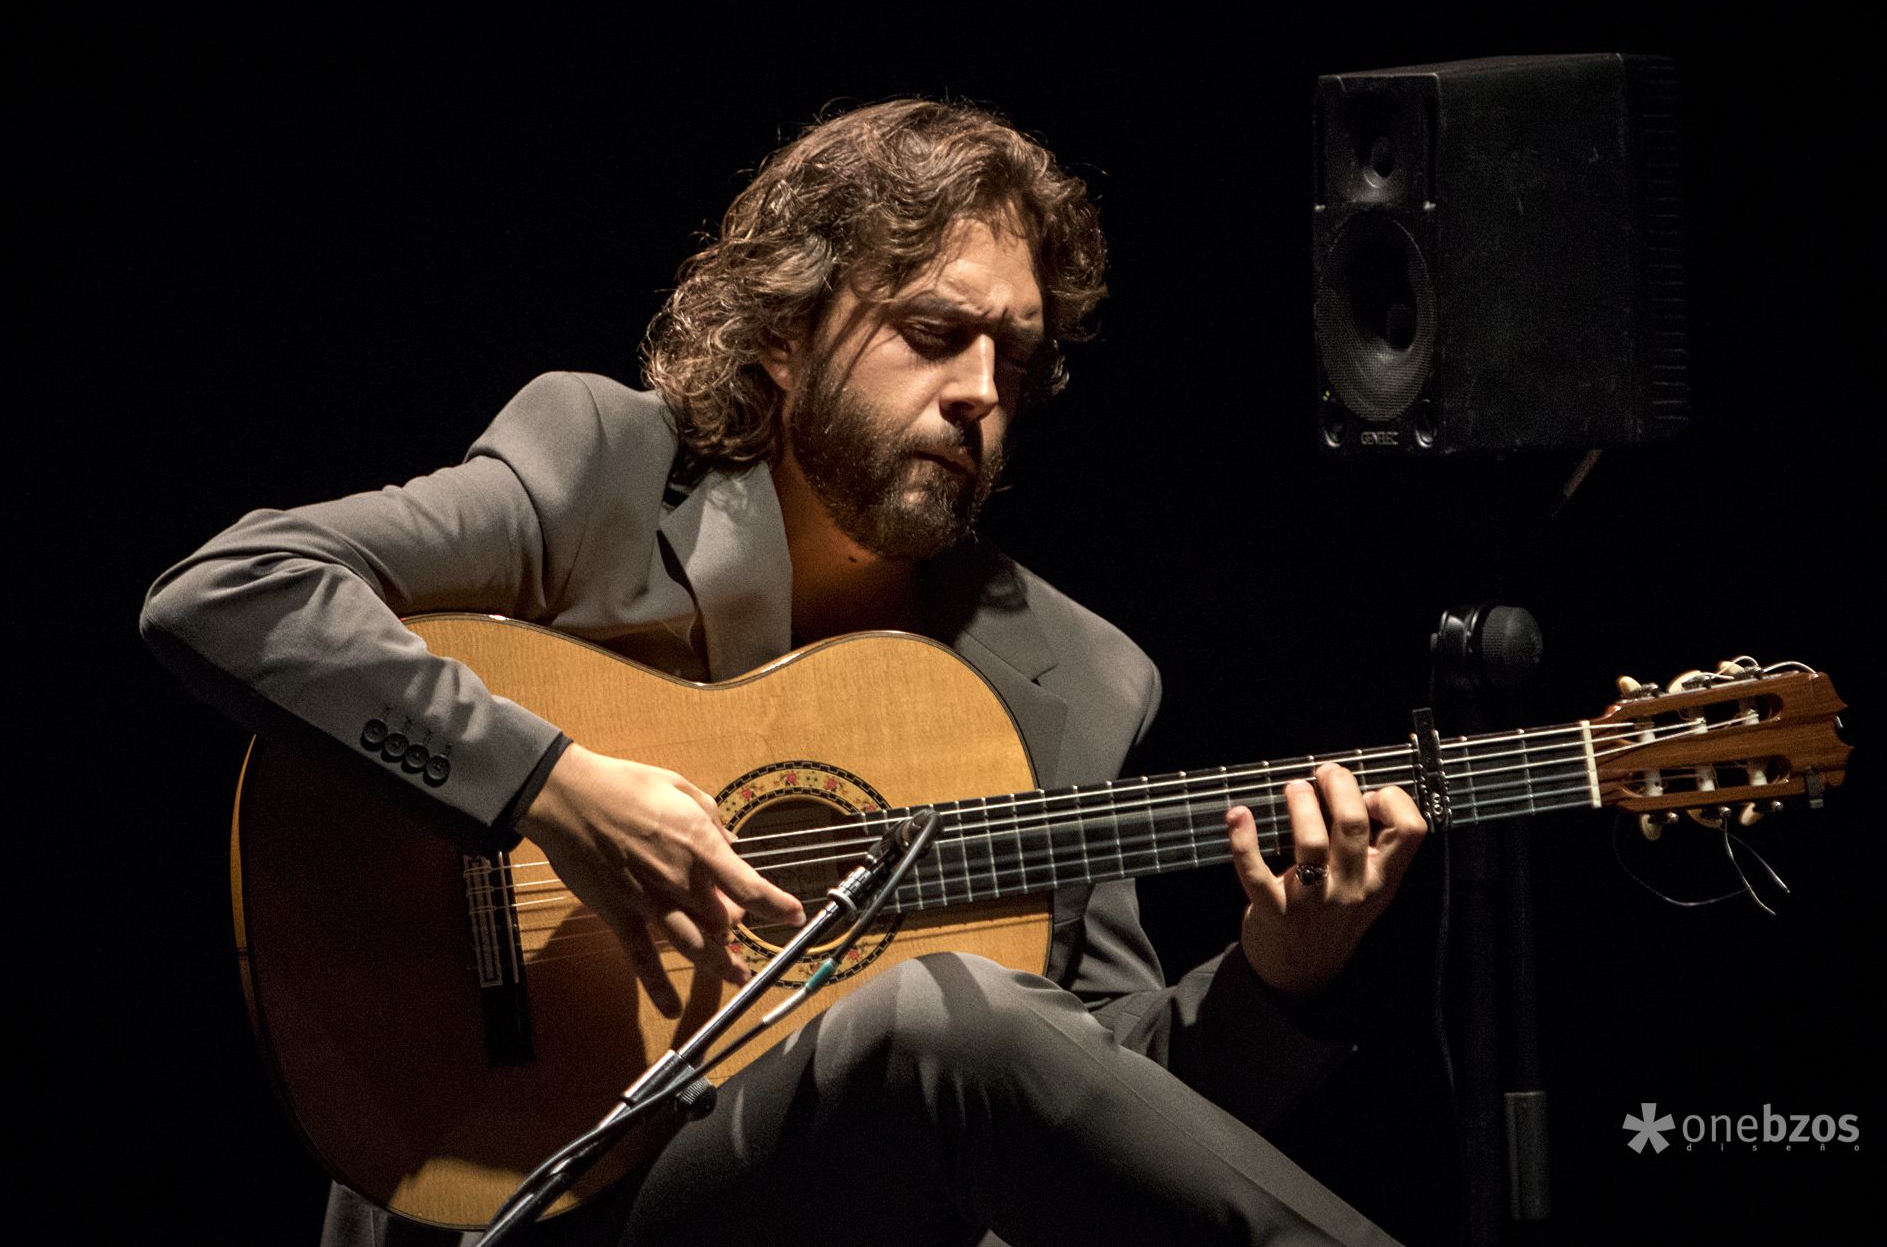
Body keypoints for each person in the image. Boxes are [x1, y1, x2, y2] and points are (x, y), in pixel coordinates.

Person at [142, 99, 1425, 1246]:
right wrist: (550, 786)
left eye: (1015, 358)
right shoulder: (598, 471)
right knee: (944, 1017)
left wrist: (1274, 977)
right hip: (507, 1185)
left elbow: (1096, 1098)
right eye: (933, 332)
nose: (981, 392)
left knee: (955, 1022)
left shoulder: (1072, 675)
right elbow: (231, 592)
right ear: (779, 333)